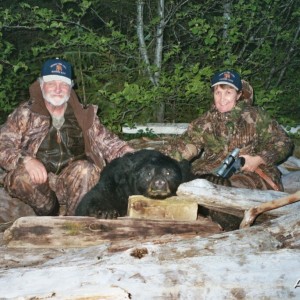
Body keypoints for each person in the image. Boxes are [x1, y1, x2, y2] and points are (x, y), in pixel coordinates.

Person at [0, 58, 134, 216]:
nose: (58, 89)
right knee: (22, 176)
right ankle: (49, 212)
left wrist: (135, 157)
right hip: (38, 185)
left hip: (71, 183)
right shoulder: (25, 113)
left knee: (86, 170)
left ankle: (76, 222)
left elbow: (110, 144)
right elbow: (3, 144)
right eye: (52, 83)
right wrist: (26, 160)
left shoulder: (84, 115)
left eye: (63, 84)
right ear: (42, 85)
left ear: (70, 87)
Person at [164, 70, 293, 191]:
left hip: (251, 174)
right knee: (188, 181)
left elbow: (283, 142)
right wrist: (160, 160)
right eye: (218, 92)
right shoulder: (205, 122)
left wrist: (258, 159)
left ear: (238, 95)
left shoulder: (256, 117)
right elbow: (186, 144)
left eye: (228, 93)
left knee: (237, 186)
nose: (222, 99)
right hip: (211, 174)